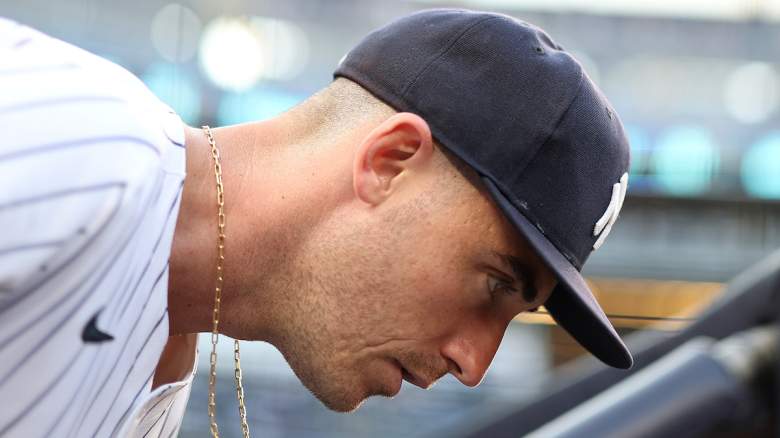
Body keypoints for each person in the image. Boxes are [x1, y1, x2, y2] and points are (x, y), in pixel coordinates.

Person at [0, 8, 632, 437]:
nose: (474, 364)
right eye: (495, 283)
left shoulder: (163, 360)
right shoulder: (77, 139)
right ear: (390, 161)